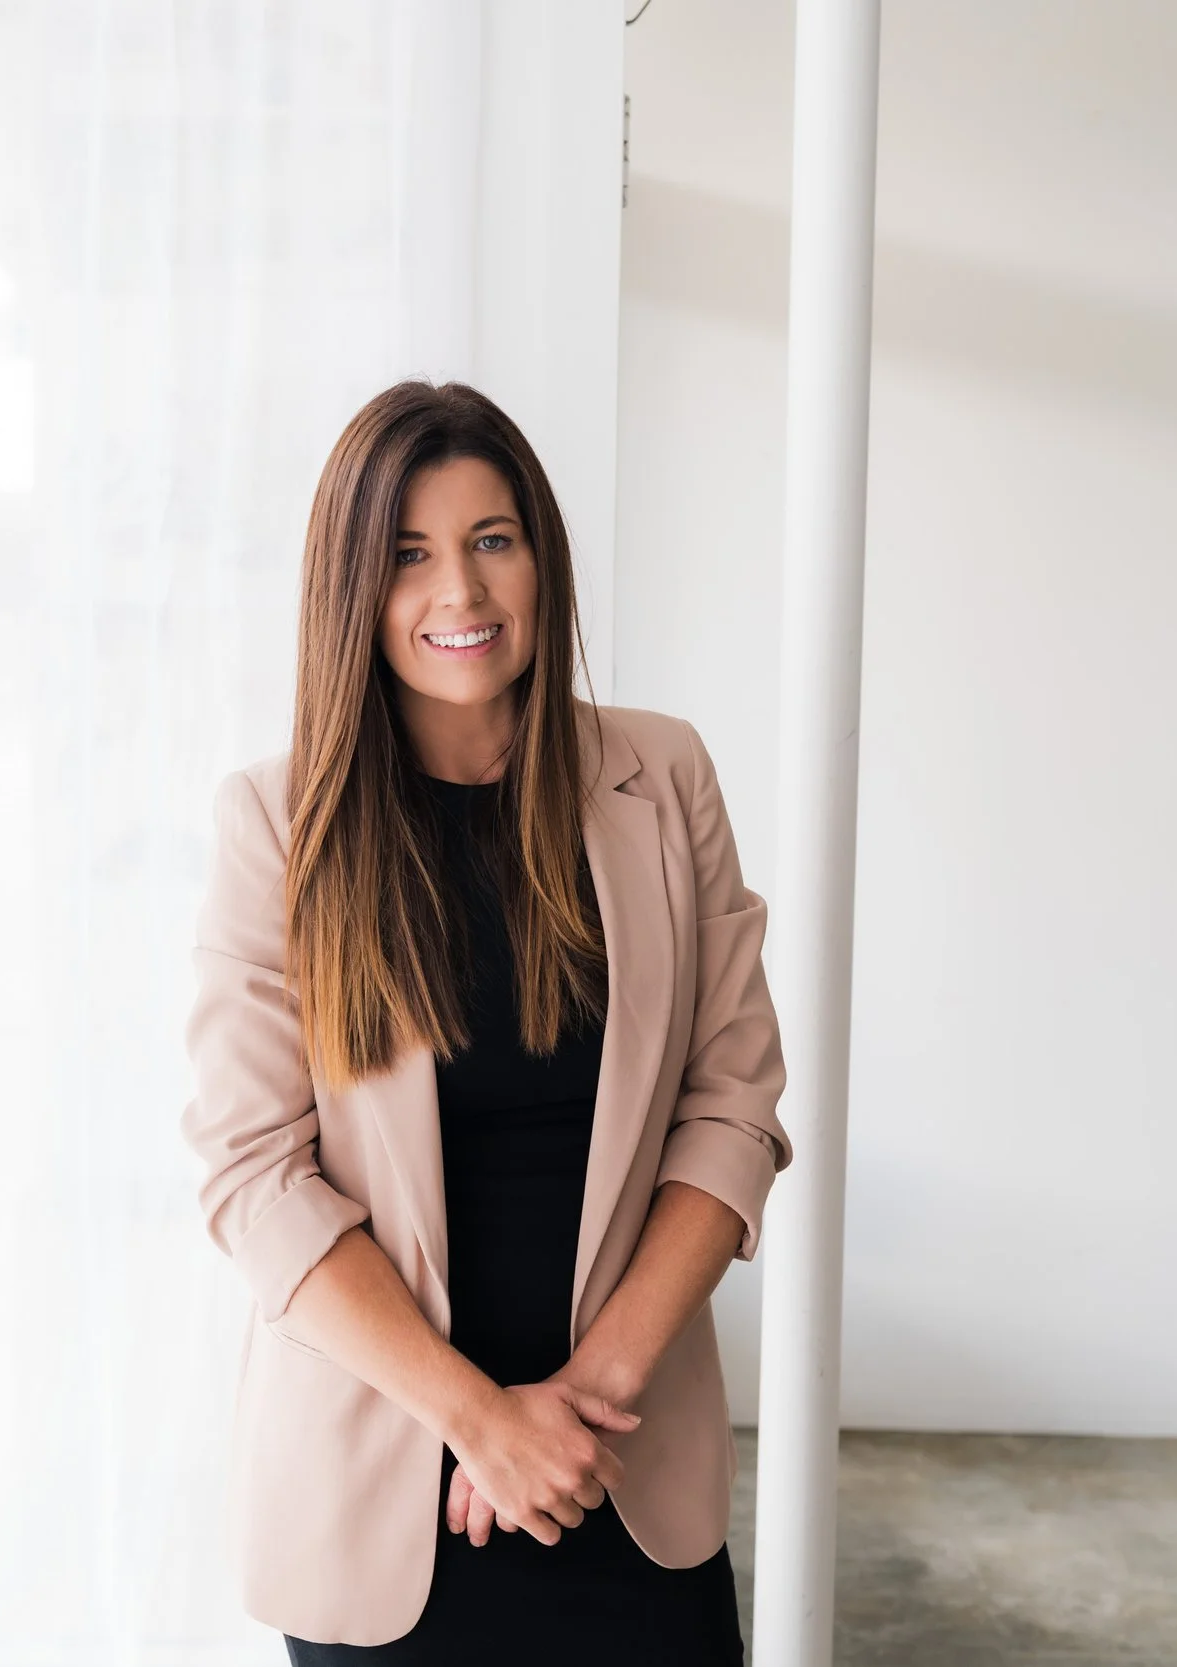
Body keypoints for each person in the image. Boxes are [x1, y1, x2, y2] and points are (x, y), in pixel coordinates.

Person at [180, 378, 793, 1662]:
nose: (458, 592)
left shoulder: (661, 776)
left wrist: (576, 1408)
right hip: (383, 1499)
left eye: (490, 540)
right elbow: (253, 1175)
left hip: (623, 1480)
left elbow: (731, 1107)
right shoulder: (277, 824)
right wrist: (481, 1423)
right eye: (408, 554)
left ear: (541, 555)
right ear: (352, 587)